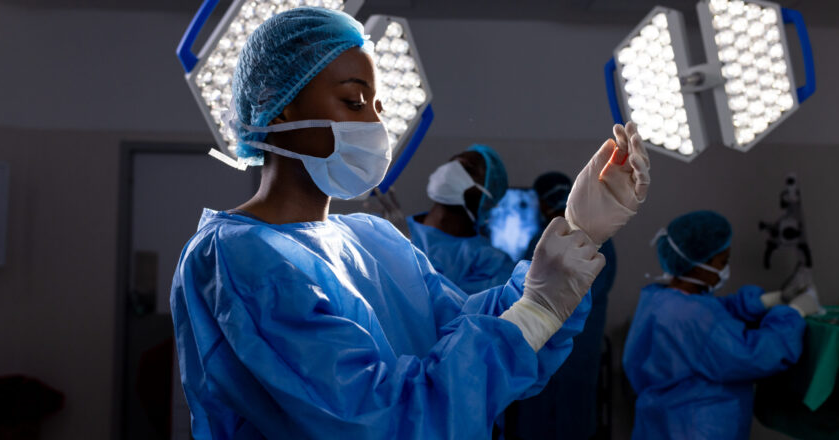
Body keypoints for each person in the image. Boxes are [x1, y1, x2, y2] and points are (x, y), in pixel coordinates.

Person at [170, 8, 649, 439]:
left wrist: (576, 233)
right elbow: (377, 422)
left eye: (378, 107)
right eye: (355, 102)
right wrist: (534, 312)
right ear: (280, 104)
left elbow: (465, 328)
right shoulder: (239, 260)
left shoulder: (371, 237)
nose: (373, 125)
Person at [623, 210, 819, 440]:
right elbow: (751, 356)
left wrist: (769, 300)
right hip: (696, 427)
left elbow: (715, 312)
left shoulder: (659, 299)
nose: (725, 268)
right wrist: (793, 314)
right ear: (698, 266)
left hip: (661, 422)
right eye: (722, 261)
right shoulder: (692, 318)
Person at [505, 171, 617, 440]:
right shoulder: (602, 241)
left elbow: (529, 296)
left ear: (543, 203)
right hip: (578, 353)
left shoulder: (545, 240)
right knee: (571, 418)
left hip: (547, 349)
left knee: (542, 419)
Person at [406, 145, 516, 294]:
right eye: (453, 163)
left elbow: (462, 311)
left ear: (487, 198)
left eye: (467, 169)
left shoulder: (492, 263)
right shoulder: (391, 227)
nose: (451, 171)